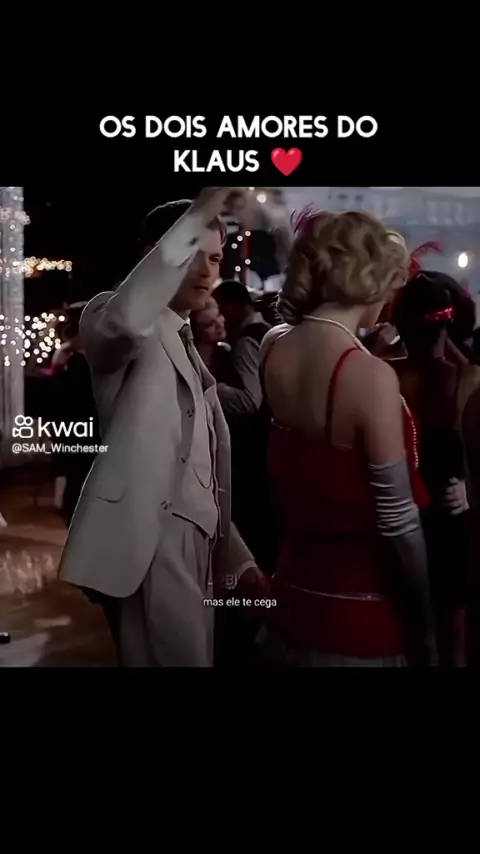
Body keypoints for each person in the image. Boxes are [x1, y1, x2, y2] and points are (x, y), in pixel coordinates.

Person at [58, 188, 268, 667]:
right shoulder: (110, 315)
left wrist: (237, 558)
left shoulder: (188, 342)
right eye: (192, 253)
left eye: (215, 258)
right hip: (148, 541)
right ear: (153, 257)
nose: (207, 271)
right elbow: (128, 322)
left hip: (198, 546)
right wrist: (206, 204)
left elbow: (199, 473)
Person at [259, 209, 436, 667]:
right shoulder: (369, 377)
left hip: (287, 602)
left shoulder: (272, 345)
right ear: (371, 279)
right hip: (359, 621)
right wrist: (425, 632)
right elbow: (399, 527)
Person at [392, 271, 476, 665]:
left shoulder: (385, 372)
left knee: (417, 627)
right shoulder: (461, 377)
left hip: (405, 505)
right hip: (443, 509)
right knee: (449, 628)